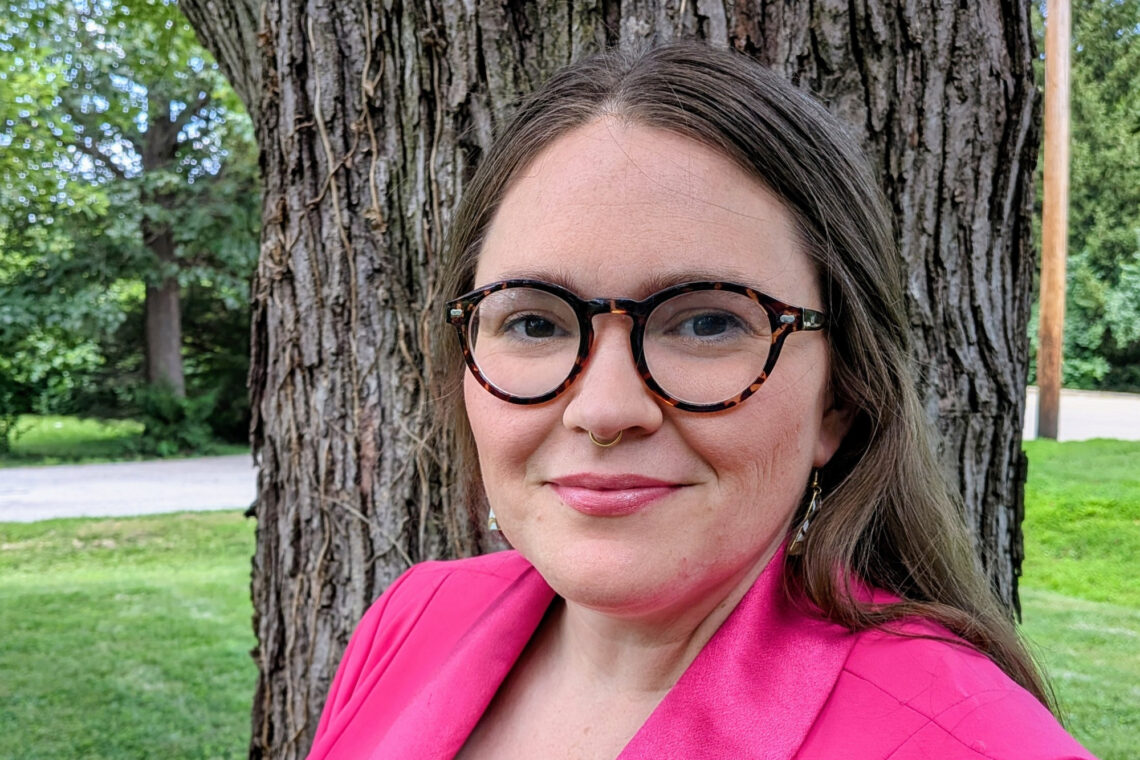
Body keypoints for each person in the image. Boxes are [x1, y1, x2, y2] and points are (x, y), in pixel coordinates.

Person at [306, 42, 1095, 760]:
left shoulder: (971, 742)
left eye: (709, 322)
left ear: (840, 399)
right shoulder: (415, 621)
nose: (604, 409)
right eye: (535, 320)